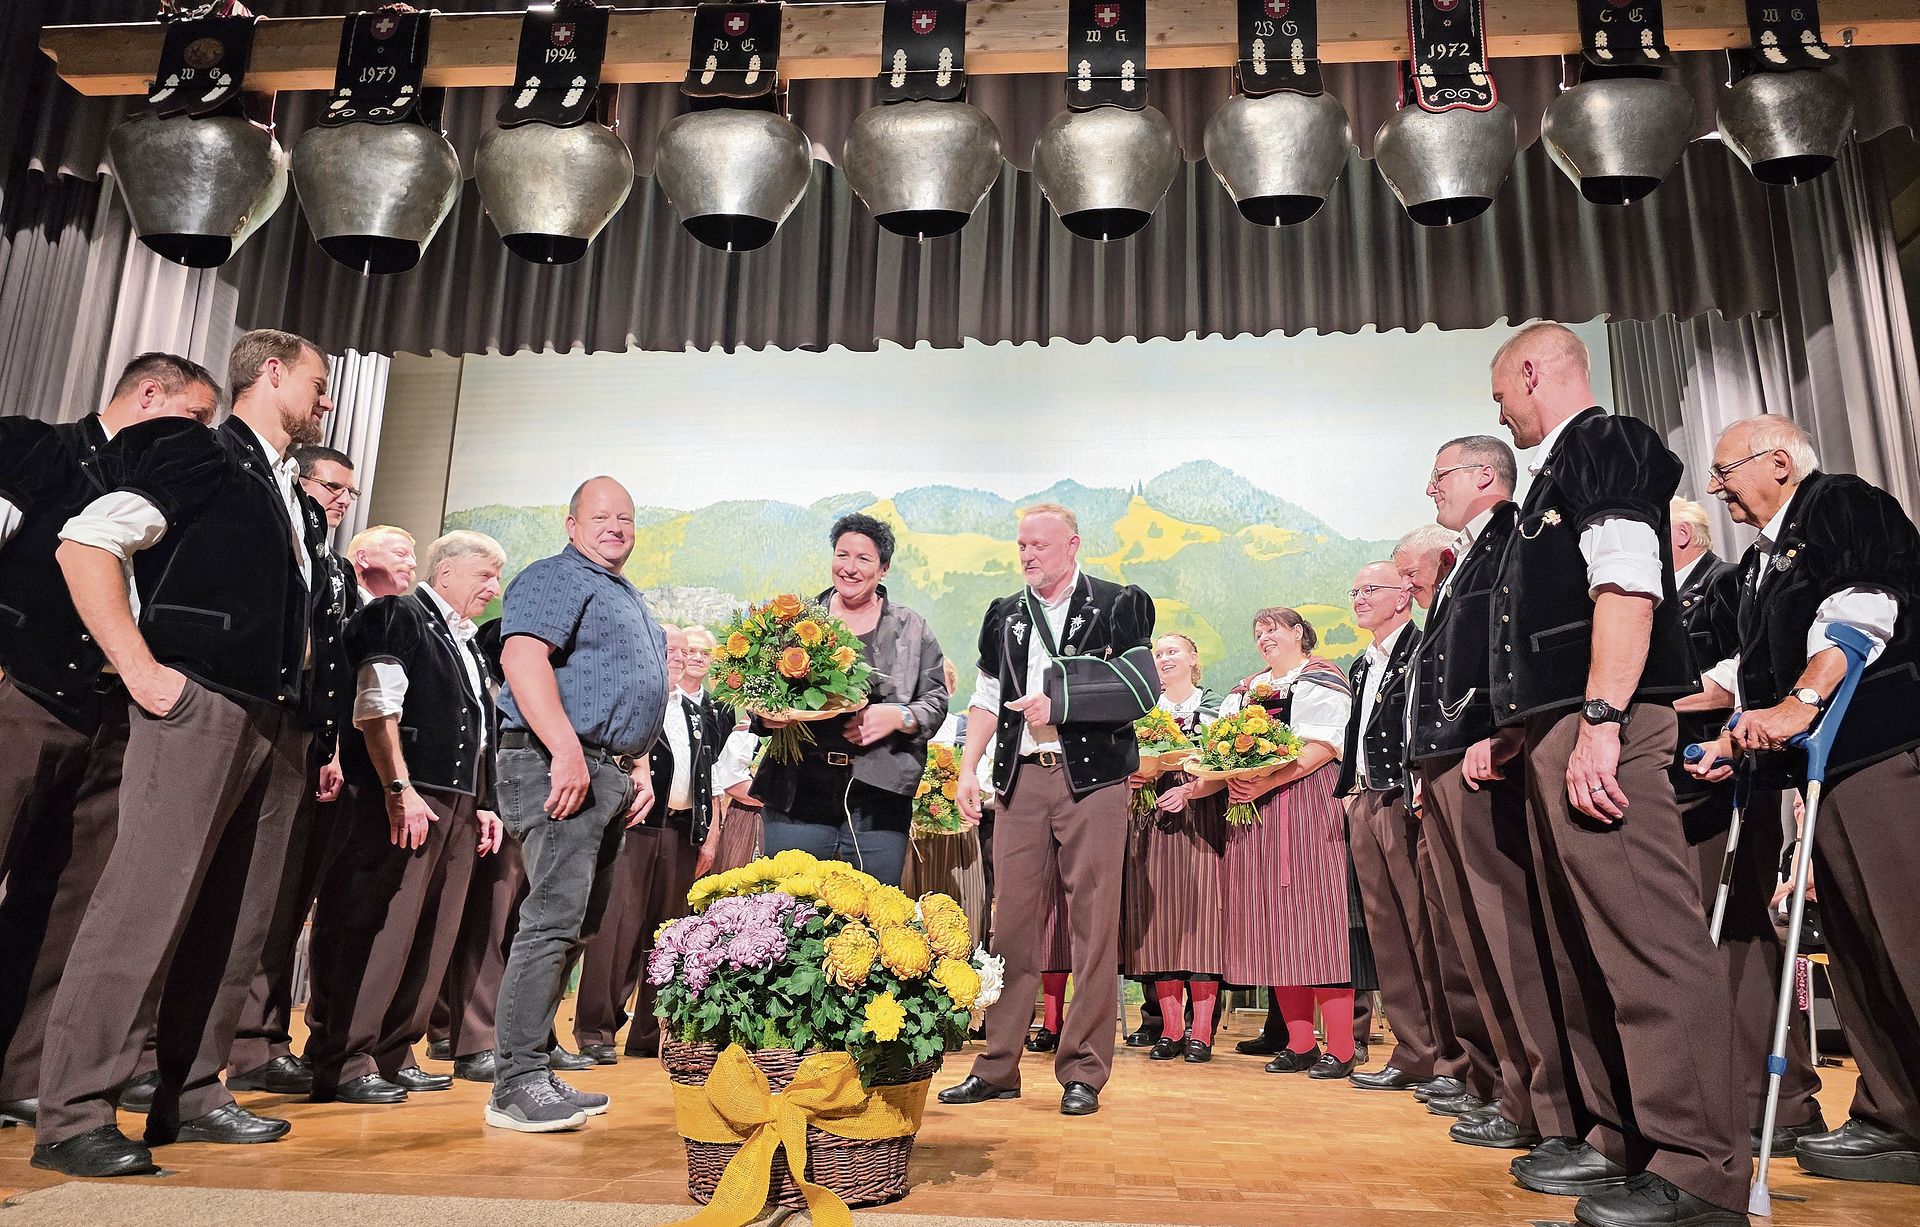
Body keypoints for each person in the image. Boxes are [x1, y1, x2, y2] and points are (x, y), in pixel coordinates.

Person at [35, 329, 334, 1177]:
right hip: (197, 706)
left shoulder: (299, 499)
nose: (326, 400)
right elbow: (86, 542)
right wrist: (139, 667)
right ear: (270, 373)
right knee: (141, 909)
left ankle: (194, 1090)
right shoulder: (198, 452)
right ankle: (74, 1113)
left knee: (238, 921)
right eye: (317, 383)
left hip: (275, 723)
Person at [1489, 322, 1746, 1226]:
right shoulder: (1552, 476)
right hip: (1565, 725)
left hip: (1610, 723)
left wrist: (1600, 721)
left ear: (1531, 371)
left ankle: (1701, 1166)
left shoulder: (1605, 443)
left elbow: (1628, 583)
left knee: (1649, 942)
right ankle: (1618, 1136)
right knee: (1588, 946)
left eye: (1502, 395)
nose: (1503, 412)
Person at [1686, 414, 1920, 1187]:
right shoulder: (1762, 558)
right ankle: (1896, 1114)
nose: (1716, 489)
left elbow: (1863, 610)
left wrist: (1800, 703)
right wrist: (1735, 735)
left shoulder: (1839, 504)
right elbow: (1759, 666)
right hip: (1822, 771)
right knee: (1855, 944)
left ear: (1779, 461)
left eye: (1724, 472)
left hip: (1878, 750)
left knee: (1905, 934)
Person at [0, 353, 219, 1131]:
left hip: (108, 721)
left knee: (66, 902)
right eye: (193, 418)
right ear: (149, 393)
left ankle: (23, 1074)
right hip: (19, 695)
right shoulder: (34, 448)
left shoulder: (162, 493)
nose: (201, 438)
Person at [940, 504, 1158, 1117]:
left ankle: (1084, 1070)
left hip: (1093, 780)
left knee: (1094, 923)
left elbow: (1141, 688)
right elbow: (986, 697)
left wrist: (1060, 699)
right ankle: (997, 1064)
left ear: (1072, 544)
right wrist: (967, 768)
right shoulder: (1004, 613)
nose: (1029, 554)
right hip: (1020, 780)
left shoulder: (1118, 602)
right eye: (1021, 546)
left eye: (1039, 544)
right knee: (1008, 923)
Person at [1401, 437, 1584, 1155]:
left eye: (1439, 474)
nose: (1430, 489)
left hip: (1482, 759)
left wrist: (1506, 730)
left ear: (1484, 476)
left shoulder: (1511, 538)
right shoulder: (1469, 553)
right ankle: (1515, 1091)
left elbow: (1514, 648)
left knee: (1510, 934)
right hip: (1448, 760)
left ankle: (1550, 1104)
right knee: (1474, 940)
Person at [487, 475, 667, 1133]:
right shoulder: (555, 575)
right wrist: (564, 749)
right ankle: (515, 1081)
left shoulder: (618, 590)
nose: (615, 525)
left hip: (602, 769)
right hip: (559, 763)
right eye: (601, 515)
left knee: (575, 921)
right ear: (571, 524)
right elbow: (522, 654)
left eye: (625, 516)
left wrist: (639, 764)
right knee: (552, 918)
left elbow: (621, 684)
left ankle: (533, 1064)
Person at [303, 531, 507, 1105]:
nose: (493, 589)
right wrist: (399, 787)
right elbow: (376, 706)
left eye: (496, 578)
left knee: (432, 930)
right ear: (446, 575)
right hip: (408, 796)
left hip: (457, 801)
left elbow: (479, 732)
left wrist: (484, 801)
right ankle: (345, 1057)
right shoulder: (400, 615)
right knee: (380, 924)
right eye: (483, 576)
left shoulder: (462, 640)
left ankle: (392, 1051)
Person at [1668, 495, 1825, 1154]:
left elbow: (1738, 682)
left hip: (1728, 777)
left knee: (1738, 931)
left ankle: (1782, 1100)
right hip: (1686, 780)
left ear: (1677, 533)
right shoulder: (1676, 595)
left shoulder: (1724, 583)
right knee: (1709, 937)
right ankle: (1737, 1088)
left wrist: (1635, 707)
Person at [226, 445, 368, 1098]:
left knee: (281, 902)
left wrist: (332, 746)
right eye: (330, 487)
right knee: (246, 892)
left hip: (313, 740)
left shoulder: (334, 568)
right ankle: (236, 1040)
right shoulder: (286, 548)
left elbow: (332, 666)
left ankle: (262, 1037)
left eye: (349, 492)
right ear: (298, 482)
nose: (340, 500)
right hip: (256, 719)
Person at [752, 513, 949, 887]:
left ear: (884, 568)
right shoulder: (795, 621)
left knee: (872, 911)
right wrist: (768, 715)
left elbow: (936, 699)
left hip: (879, 796)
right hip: (797, 789)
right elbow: (758, 690)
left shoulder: (911, 628)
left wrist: (901, 716)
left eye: (863, 559)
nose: (849, 568)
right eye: (842, 555)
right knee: (794, 908)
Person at [1200, 608, 1356, 1080]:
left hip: (1305, 805)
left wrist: (1264, 784)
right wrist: (1218, 780)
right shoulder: (1246, 688)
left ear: (1298, 633)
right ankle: (1301, 1044)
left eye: (1273, 628)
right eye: (1257, 631)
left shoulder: (1322, 677)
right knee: (1274, 925)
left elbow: (1321, 746)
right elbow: (1216, 750)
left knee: (1315, 921)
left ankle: (1344, 1049)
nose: (1264, 636)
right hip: (1253, 815)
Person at [1338, 563, 1472, 1100]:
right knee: (1386, 931)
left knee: (1425, 929)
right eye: (1355, 590)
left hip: (1404, 798)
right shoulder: (1361, 664)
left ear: (1403, 598)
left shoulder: (1422, 647)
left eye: (1371, 589)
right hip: (1366, 797)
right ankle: (1413, 1052)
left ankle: (1453, 1058)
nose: (1359, 598)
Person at [575, 622, 728, 1063]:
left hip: (681, 832)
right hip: (633, 827)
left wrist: (710, 833)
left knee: (666, 936)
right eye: (671, 649)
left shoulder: (697, 712)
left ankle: (651, 1033)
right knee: (615, 930)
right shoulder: (631, 700)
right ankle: (595, 1031)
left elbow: (707, 774)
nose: (679, 657)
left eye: (684, 652)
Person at [1121, 633, 1226, 1062]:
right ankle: (1171, 1028)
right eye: (1158, 653)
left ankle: (1202, 1031)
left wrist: (1192, 791)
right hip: (1153, 820)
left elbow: (1227, 764)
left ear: (1193, 657)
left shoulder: (1219, 706)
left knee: (1203, 923)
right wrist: (1133, 776)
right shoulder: (1144, 711)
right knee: (1159, 923)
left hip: (1204, 820)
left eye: (1173, 651)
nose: (1164, 658)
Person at [900, 658, 990, 953]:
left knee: (966, 911)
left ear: (951, 689)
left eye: (940, 684)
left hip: (959, 839)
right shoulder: (902, 732)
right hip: (912, 840)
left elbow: (987, 779)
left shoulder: (966, 729)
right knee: (910, 915)